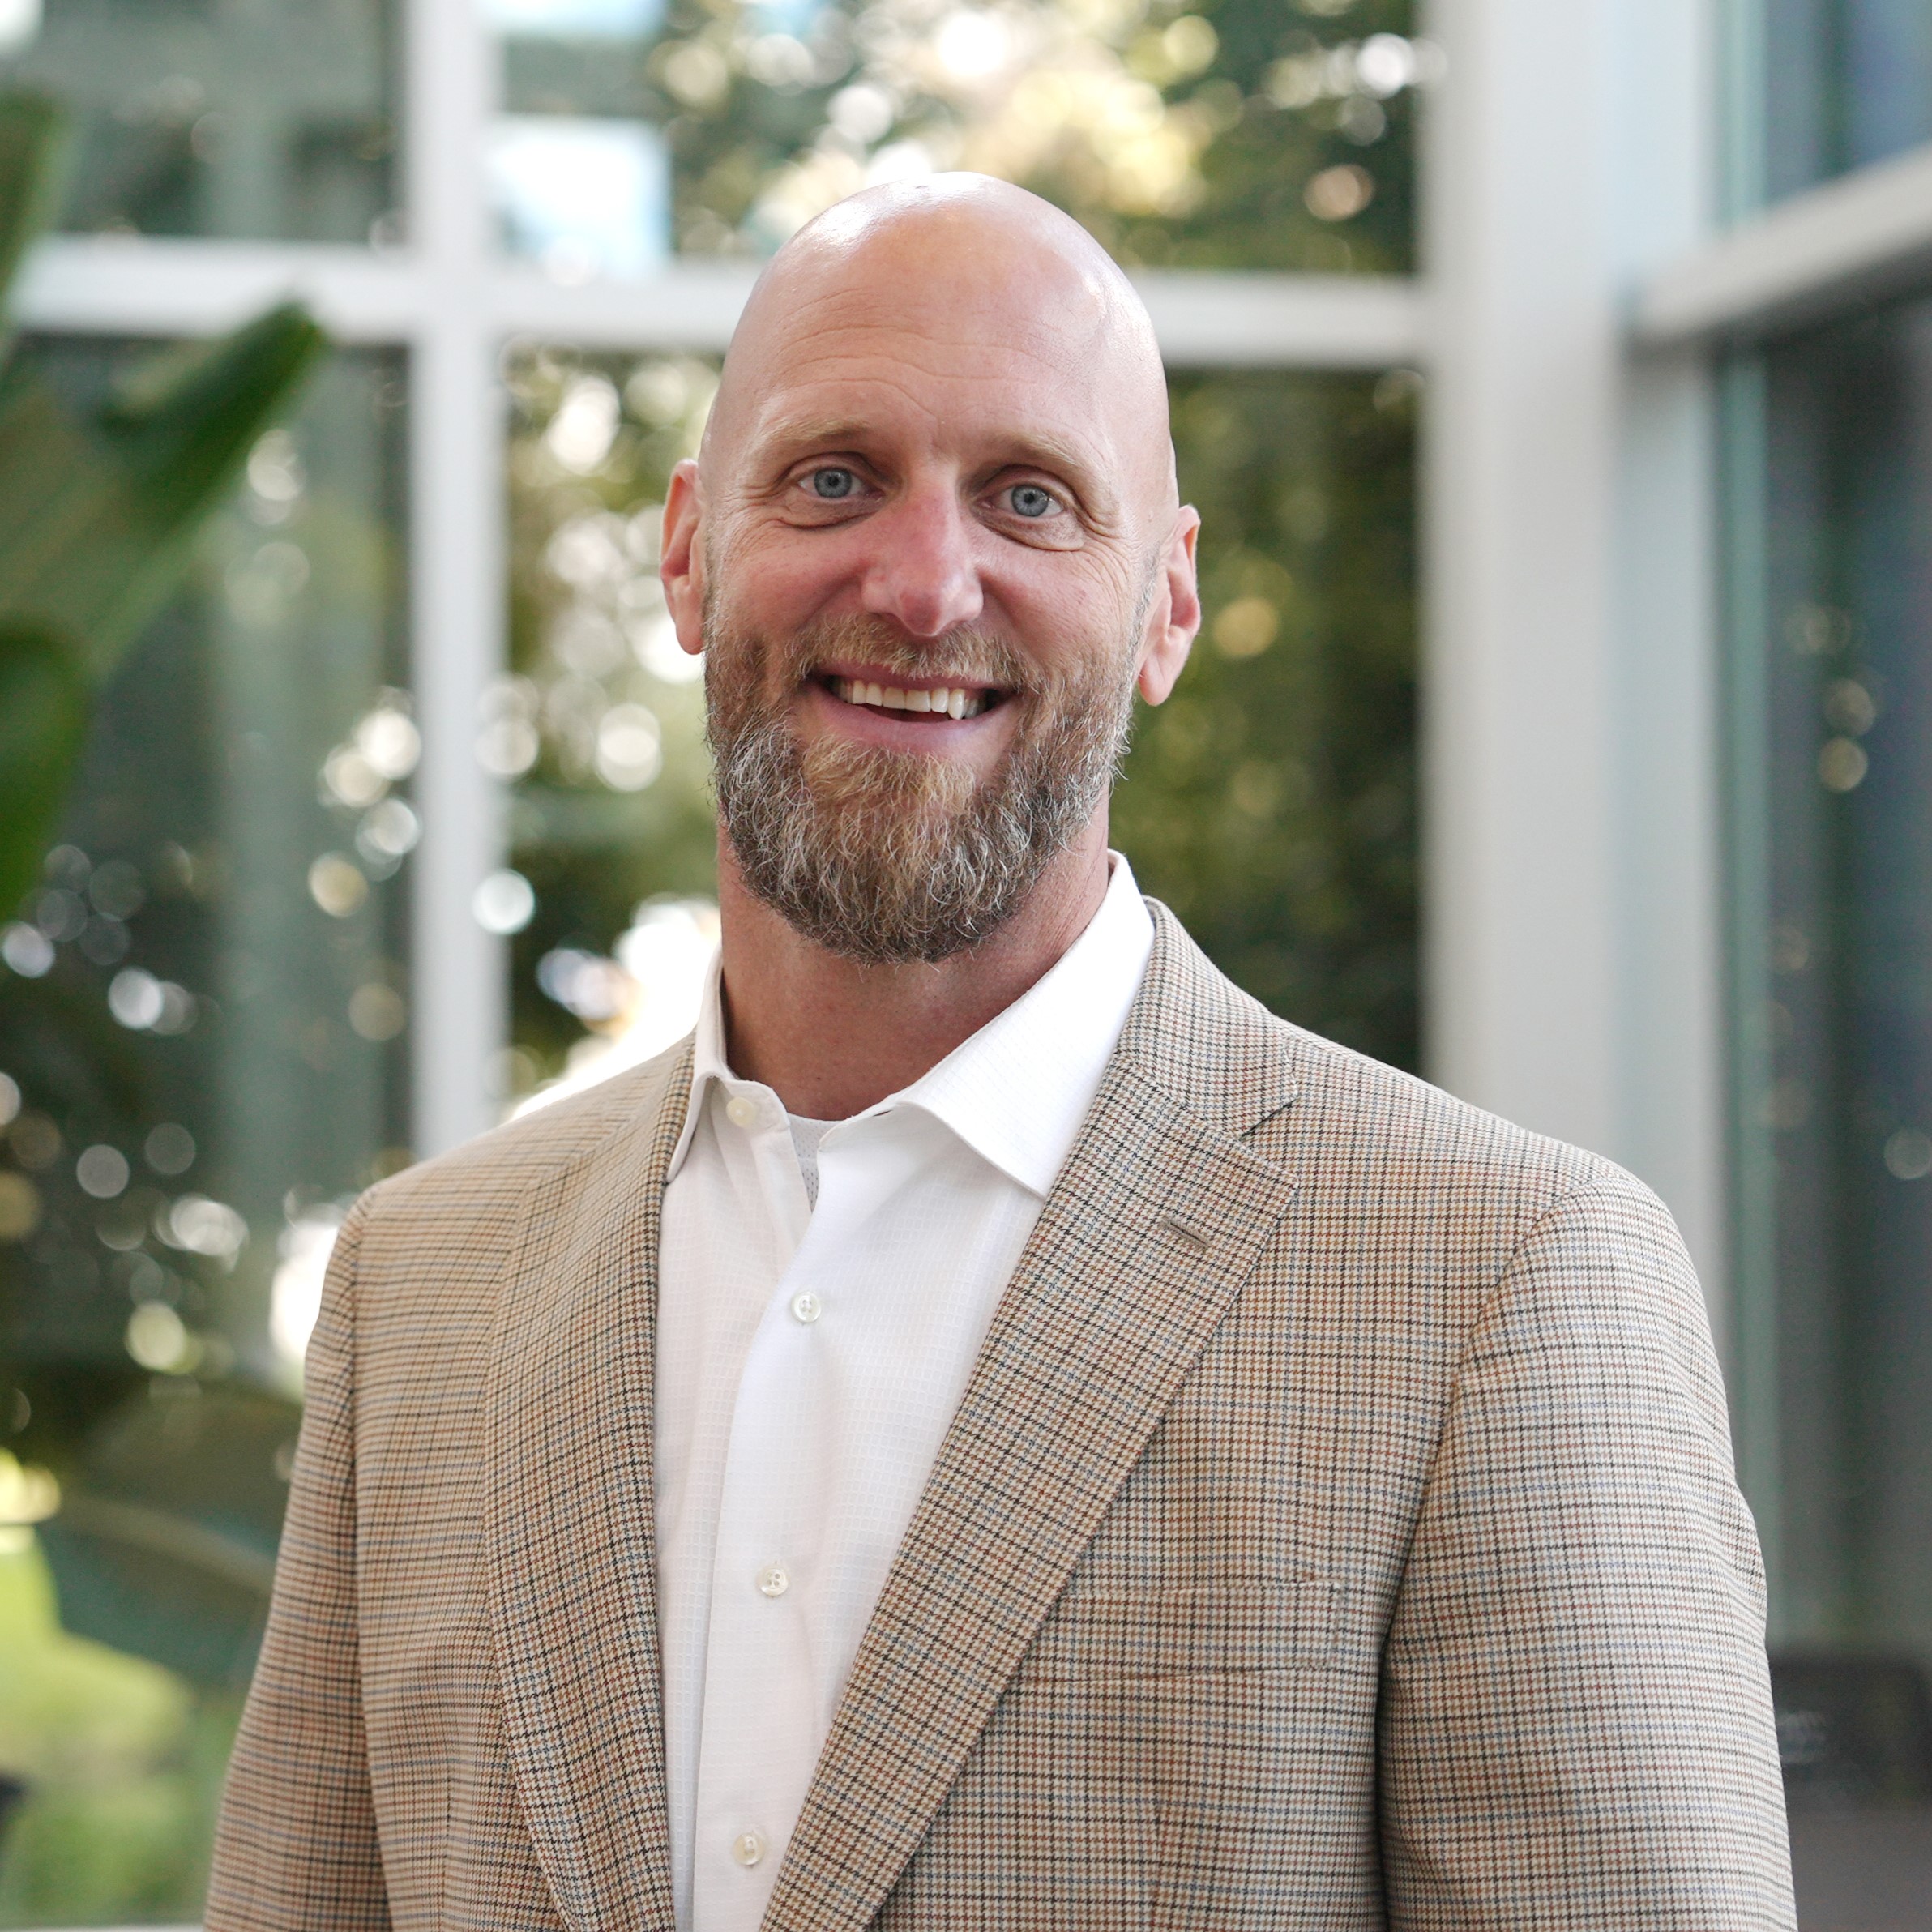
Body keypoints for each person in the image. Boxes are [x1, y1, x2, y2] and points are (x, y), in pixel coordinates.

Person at [206, 175, 1794, 1930]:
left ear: (1165, 606)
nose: (921, 580)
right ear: (686, 552)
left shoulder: (1503, 1288)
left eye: (1029, 498)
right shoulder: (419, 1288)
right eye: (832, 478)